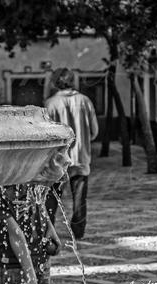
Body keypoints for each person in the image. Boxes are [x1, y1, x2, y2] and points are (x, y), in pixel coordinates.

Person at [44, 68, 99, 239]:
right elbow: (94, 131)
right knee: (80, 199)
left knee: (52, 197)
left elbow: (46, 135)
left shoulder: (50, 104)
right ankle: (78, 231)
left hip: (58, 159)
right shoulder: (85, 101)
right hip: (81, 158)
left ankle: (48, 230)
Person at [0, 184, 61, 284]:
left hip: (35, 260)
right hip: (18, 265)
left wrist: (50, 228)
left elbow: (39, 204)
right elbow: (16, 235)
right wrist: (30, 277)